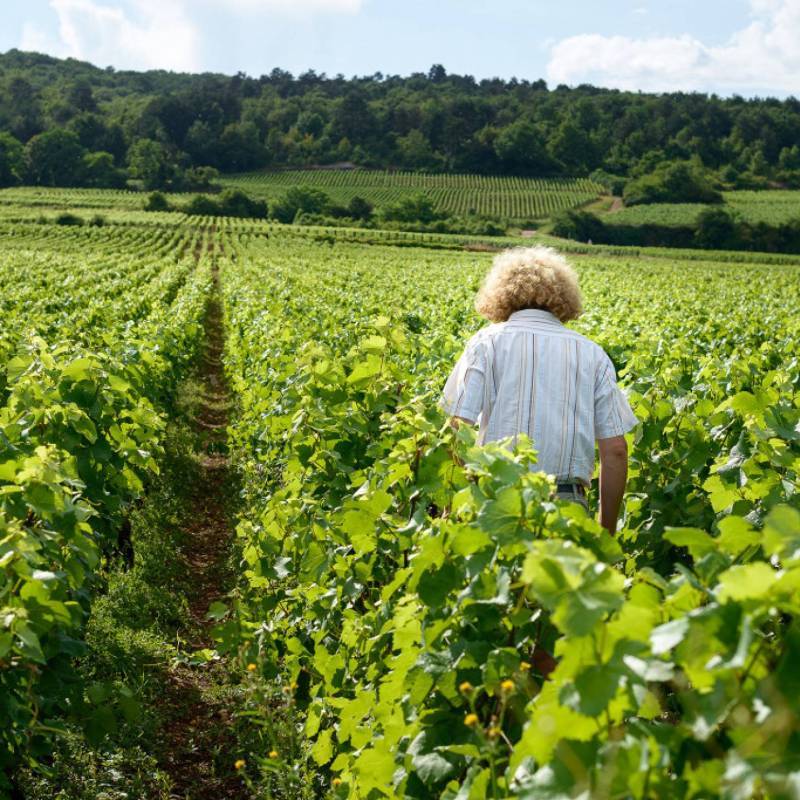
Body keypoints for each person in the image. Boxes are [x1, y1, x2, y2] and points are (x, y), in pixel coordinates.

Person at [440, 245, 637, 535]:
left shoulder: (486, 343)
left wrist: (450, 508)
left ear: (502, 294)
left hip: (496, 502)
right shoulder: (592, 354)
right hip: (566, 509)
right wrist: (605, 536)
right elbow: (616, 451)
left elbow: (457, 430)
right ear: (563, 297)